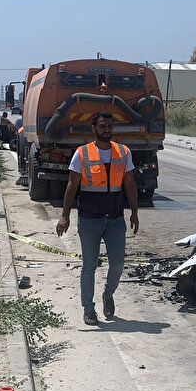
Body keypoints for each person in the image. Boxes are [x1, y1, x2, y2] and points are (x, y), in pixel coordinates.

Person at [55, 111, 140, 326]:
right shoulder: (82, 153)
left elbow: (130, 183)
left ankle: (108, 294)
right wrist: (64, 216)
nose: (107, 130)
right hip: (89, 218)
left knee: (118, 263)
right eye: (102, 126)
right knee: (89, 265)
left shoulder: (123, 152)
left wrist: (134, 212)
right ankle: (88, 309)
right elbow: (72, 185)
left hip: (115, 218)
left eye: (110, 126)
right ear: (93, 129)